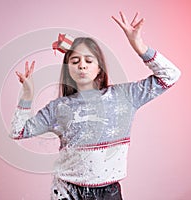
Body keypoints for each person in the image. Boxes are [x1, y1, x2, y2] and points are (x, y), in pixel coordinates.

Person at [10, 12, 181, 200]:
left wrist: (139, 46)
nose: (82, 66)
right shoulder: (59, 108)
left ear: (99, 67)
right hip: (67, 192)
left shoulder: (124, 96)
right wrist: (26, 95)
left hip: (109, 192)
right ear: (68, 69)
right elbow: (18, 131)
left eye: (88, 60)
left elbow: (170, 75)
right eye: (75, 61)